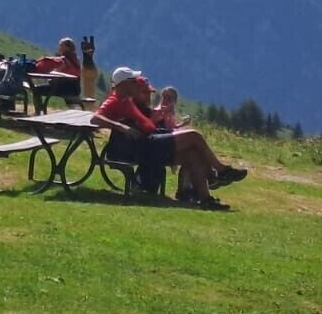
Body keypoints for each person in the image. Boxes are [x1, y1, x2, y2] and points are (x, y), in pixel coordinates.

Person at [93, 68, 245, 210]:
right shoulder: (115, 99)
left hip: (150, 141)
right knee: (194, 136)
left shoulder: (126, 99)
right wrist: (122, 127)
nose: (136, 84)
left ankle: (206, 199)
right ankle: (221, 171)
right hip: (144, 146)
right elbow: (96, 118)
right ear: (125, 84)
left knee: (192, 153)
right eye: (133, 81)